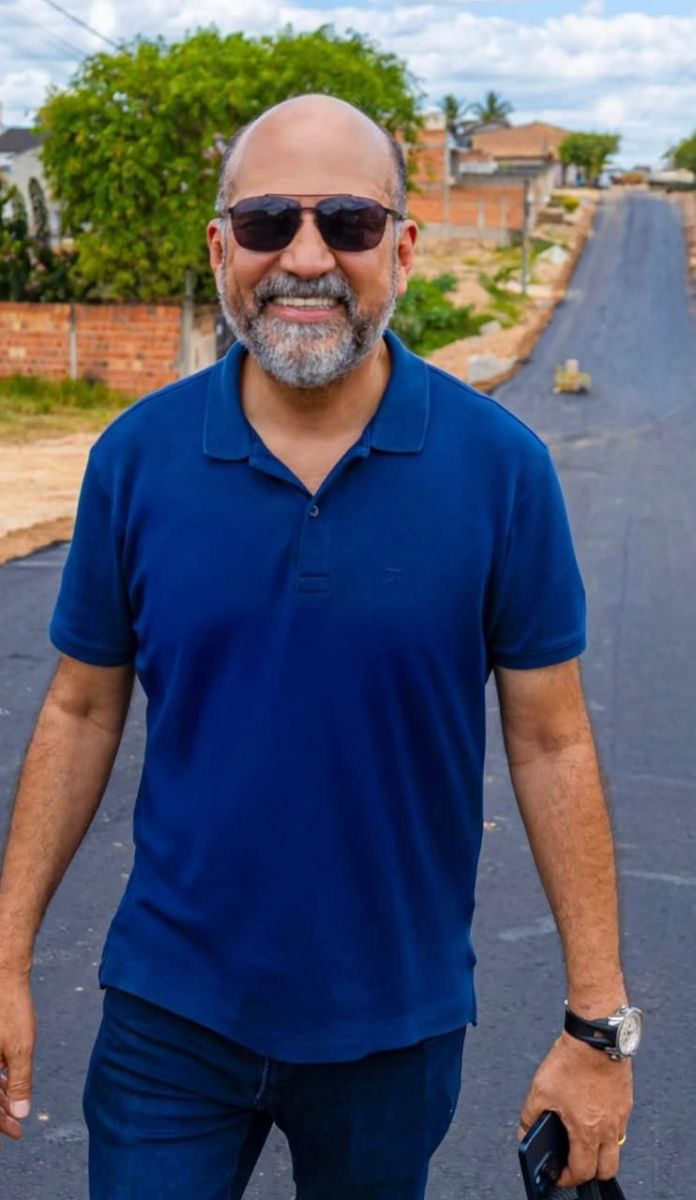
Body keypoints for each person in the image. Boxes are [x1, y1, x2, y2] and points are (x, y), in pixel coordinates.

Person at [0, 95, 639, 1198]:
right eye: (266, 223)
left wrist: (598, 1023)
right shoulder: (136, 459)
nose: (305, 258)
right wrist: (9, 956)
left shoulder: (501, 471)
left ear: (403, 247)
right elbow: (81, 706)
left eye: (347, 222)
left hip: (394, 1028)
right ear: (221, 248)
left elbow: (552, 743)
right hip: (169, 1016)